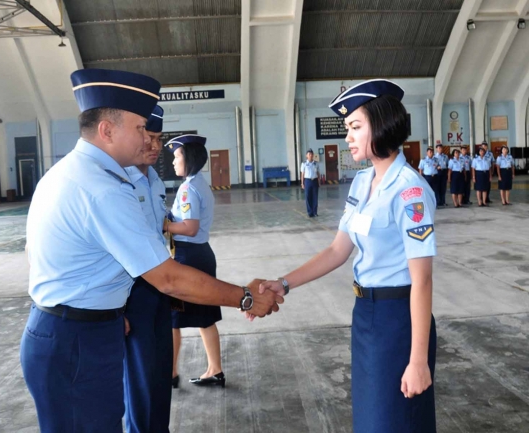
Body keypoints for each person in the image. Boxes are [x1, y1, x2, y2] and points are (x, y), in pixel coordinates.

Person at [20, 68, 282, 433]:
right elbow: (169, 278)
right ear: (107, 130)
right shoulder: (102, 188)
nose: (148, 138)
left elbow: (41, 255)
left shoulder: (65, 172)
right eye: (141, 128)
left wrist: (107, 309)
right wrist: (246, 298)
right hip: (75, 341)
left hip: (77, 328)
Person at [254, 79, 437, 433]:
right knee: (371, 420)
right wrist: (284, 283)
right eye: (347, 128)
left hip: (399, 319)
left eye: (355, 127)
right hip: (365, 316)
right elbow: (338, 250)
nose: (347, 137)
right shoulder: (360, 182)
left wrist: (418, 360)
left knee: (396, 422)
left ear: (381, 125)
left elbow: (423, 280)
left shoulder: (409, 191)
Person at [122, 105, 174, 433]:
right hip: (133, 292)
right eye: (149, 137)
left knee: (160, 374)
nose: (155, 146)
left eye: (159, 138)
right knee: (139, 380)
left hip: (160, 289)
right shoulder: (120, 181)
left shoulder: (155, 180)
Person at [165, 134, 225, 388]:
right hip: (201, 254)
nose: (174, 162)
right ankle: (215, 370)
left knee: (172, 319)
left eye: (177, 157)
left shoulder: (188, 188)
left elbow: (189, 227)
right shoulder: (199, 183)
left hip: (188, 257)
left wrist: (165, 224)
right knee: (204, 316)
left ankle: (170, 374)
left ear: (188, 158)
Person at [301, 148, 320, 217]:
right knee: (308, 197)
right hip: (307, 181)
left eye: (311, 154)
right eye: (309, 154)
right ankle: (310, 212)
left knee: (315, 197)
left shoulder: (316, 163)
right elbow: (302, 174)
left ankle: (315, 212)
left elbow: (318, 173)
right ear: (306, 155)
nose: (310, 155)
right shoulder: (304, 164)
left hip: (314, 181)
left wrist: (319, 181)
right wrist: (302, 183)